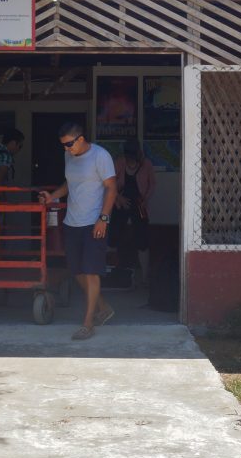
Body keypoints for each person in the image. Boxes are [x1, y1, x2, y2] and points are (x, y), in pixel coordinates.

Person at [38, 121, 117, 340]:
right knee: (78, 272)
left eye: (69, 144)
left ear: (81, 139)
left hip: (94, 223)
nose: (66, 148)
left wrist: (104, 218)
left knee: (91, 271)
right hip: (71, 222)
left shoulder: (101, 156)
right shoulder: (69, 156)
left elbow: (112, 188)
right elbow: (70, 184)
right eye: (63, 145)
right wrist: (52, 196)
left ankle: (88, 322)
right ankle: (103, 308)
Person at [112, 139, 156, 286]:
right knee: (115, 234)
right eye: (128, 157)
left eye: (133, 157)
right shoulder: (119, 162)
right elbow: (109, 183)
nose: (130, 161)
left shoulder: (147, 164)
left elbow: (152, 184)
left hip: (139, 204)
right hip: (121, 203)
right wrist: (118, 197)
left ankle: (145, 277)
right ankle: (115, 272)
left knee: (142, 239)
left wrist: (146, 198)